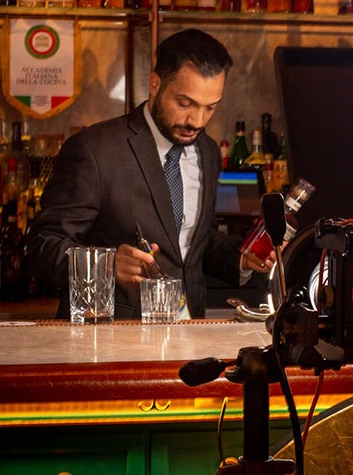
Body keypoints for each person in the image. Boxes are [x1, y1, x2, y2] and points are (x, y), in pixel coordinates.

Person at [27, 28, 268, 319]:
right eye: (185, 103)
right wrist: (106, 265)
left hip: (190, 336)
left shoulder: (207, 152)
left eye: (210, 108)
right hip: (114, 341)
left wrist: (242, 258)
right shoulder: (94, 149)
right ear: (154, 84)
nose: (196, 121)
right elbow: (43, 246)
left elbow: (190, 245)